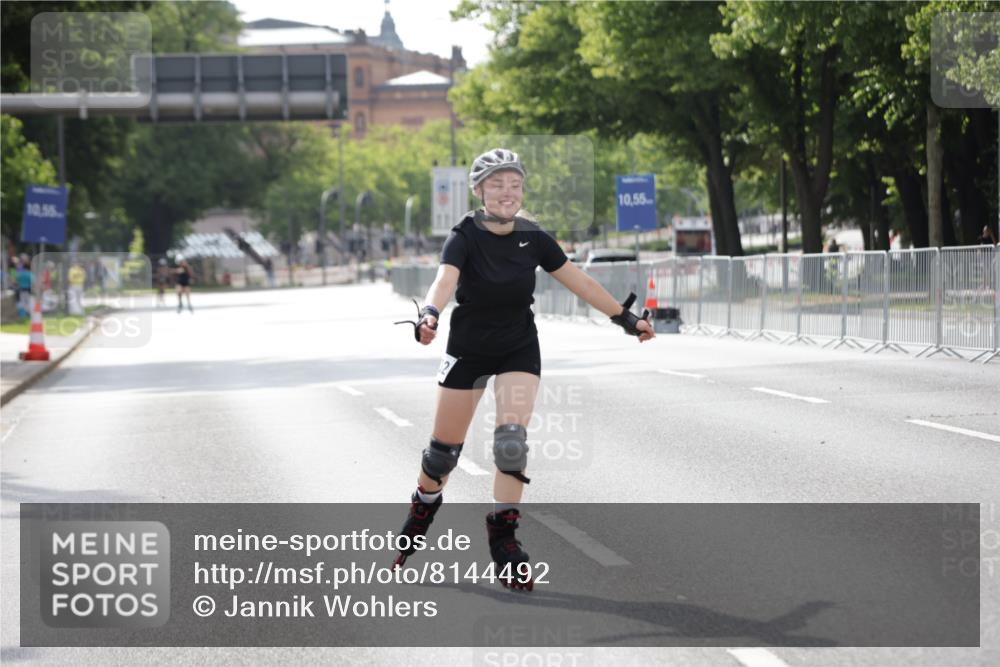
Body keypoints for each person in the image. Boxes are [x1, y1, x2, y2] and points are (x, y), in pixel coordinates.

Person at [391, 148, 655, 591]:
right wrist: (430, 313)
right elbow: (445, 280)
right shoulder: (464, 235)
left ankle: (504, 539)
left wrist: (625, 319)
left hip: (517, 347)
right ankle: (422, 508)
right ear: (479, 191)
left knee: (511, 443)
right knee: (442, 454)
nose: (507, 193)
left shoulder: (534, 235)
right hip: (469, 348)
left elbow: (580, 281)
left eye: (514, 184)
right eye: (496, 185)